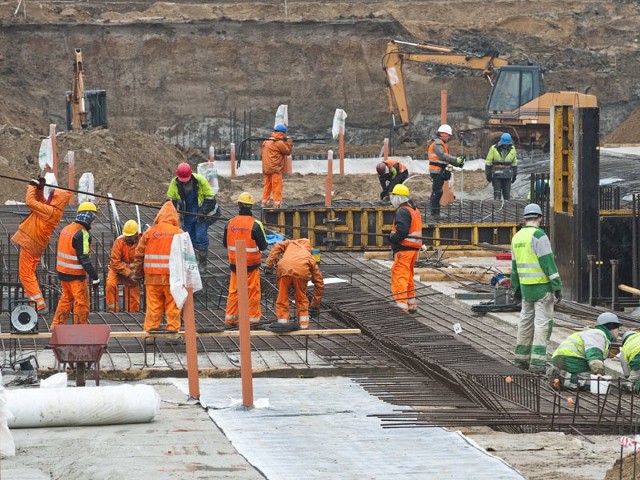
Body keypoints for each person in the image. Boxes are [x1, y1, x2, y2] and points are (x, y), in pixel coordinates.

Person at [511, 203, 562, 374]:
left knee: (525, 322)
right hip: (542, 288)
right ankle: (538, 362)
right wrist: (557, 285)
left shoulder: (516, 237)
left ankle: (521, 359)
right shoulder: (539, 236)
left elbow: (514, 268)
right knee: (542, 324)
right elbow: (548, 262)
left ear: (525, 219)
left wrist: (516, 289)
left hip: (526, 288)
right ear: (540, 218)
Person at [11, 176, 72, 315]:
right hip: (35, 243)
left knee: (25, 275)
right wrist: (40, 188)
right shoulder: (52, 210)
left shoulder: (50, 211)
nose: (50, 197)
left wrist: (31, 186)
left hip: (31, 241)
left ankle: (39, 305)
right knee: (29, 274)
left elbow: (30, 202)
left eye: (52, 196)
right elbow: (40, 200)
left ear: (56, 199)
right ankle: (37, 303)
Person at [132, 201, 184, 340]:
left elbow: (139, 254)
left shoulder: (150, 231)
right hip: (172, 278)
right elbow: (187, 256)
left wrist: (137, 274)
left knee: (153, 306)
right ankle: (172, 333)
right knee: (173, 305)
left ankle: (150, 335)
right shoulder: (179, 233)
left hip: (152, 277)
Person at [222, 192, 269, 327]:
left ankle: (231, 319)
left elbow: (225, 243)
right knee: (253, 292)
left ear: (239, 205)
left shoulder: (229, 223)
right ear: (251, 207)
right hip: (251, 266)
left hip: (235, 265)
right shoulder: (255, 224)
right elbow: (264, 246)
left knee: (234, 292)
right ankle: (253, 319)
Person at [51, 202, 100, 327]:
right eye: (92, 218)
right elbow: (84, 258)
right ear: (88, 217)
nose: (93, 222)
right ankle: (80, 330)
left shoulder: (66, 229)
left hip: (63, 273)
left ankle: (56, 327)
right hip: (75, 276)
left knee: (66, 300)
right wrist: (95, 276)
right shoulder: (82, 234)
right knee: (81, 303)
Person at [166, 162, 218, 275]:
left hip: (201, 213)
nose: (184, 181)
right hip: (187, 214)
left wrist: (202, 213)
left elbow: (210, 198)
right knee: (188, 239)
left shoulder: (200, 180)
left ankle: (202, 264)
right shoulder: (174, 184)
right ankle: (191, 264)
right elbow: (170, 202)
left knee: (201, 237)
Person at [264, 238, 324, 330]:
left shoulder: (289, 243)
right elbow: (319, 283)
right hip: (302, 271)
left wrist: (269, 264)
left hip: (284, 268)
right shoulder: (309, 257)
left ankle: (282, 323)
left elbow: (277, 246)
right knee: (301, 298)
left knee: (282, 297)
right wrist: (315, 305)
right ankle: (303, 326)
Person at [551, 312, 621, 390]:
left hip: (561, 357)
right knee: (593, 383)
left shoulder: (592, 333)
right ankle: (568, 380)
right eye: (618, 327)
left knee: (593, 377)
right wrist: (599, 374)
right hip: (571, 359)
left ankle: (561, 374)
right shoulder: (598, 334)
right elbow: (594, 355)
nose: (618, 331)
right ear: (612, 327)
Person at [388, 184, 422, 313]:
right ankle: (411, 303)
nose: (392, 198)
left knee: (399, 276)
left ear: (399, 197)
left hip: (404, 249)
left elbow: (401, 231)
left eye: (393, 196)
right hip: (413, 250)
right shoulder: (414, 209)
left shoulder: (403, 211)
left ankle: (401, 307)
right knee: (407, 276)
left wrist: (392, 238)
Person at [427, 124, 465, 218]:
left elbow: (445, 159)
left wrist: (457, 163)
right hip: (436, 171)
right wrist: (456, 160)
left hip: (440, 170)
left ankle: (435, 212)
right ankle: (435, 213)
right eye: (448, 135)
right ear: (443, 134)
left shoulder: (441, 144)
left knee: (437, 191)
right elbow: (442, 156)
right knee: (437, 192)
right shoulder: (437, 144)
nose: (448, 137)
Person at [105, 219, 140, 313]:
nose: (128, 238)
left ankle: (133, 312)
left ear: (136, 234)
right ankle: (112, 311)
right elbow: (115, 262)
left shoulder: (141, 242)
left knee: (132, 287)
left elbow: (142, 260)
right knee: (110, 285)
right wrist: (128, 273)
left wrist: (137, 274)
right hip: (116, 268)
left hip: (132, 271)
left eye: (130, 236)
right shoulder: (119, 242)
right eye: (126, 236)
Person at [261, 124, 293, 208]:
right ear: (282, 133)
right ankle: (277, 204)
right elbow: (287, 152)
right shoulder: (279, 143)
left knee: (267, 186)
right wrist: (288, 142)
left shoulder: (266, 141)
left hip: (266, 168)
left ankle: (264, 202)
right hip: (275, 168)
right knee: (277, 187)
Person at [485, 132, 518, 200]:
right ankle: (497, 207)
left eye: (507, 144)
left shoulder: (512, 149)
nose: (505, 145)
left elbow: (514, 163)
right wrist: (488, 174)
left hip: (507, 174)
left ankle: (506, 207)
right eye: (504, 143)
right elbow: (488, 162)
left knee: (507, 195)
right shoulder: (493, 148)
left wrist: (515, 174)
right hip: (497, 174)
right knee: (497, 194)